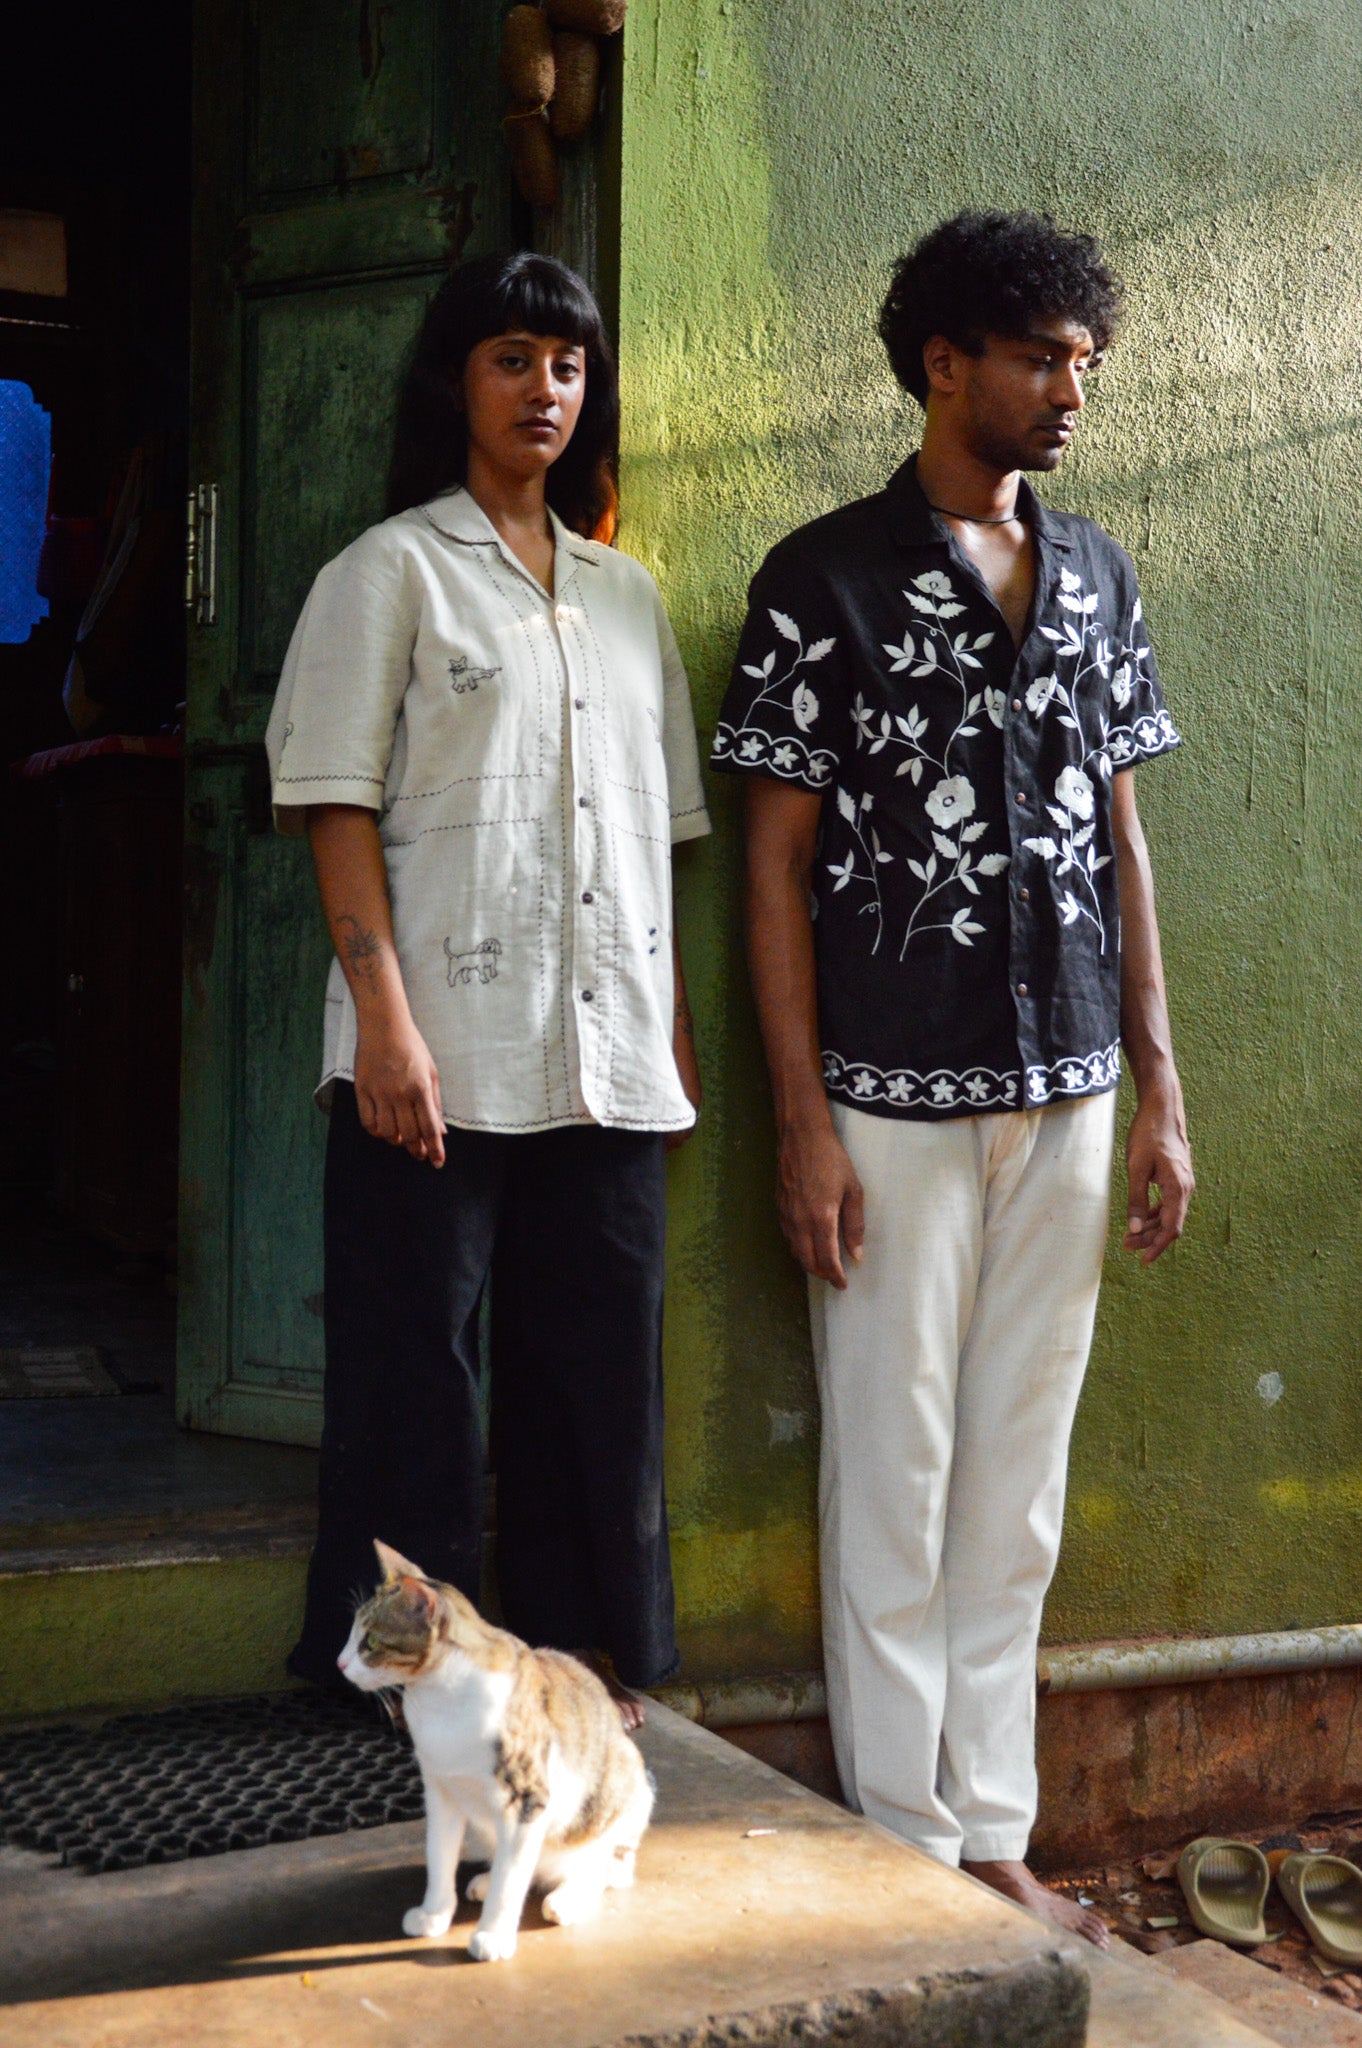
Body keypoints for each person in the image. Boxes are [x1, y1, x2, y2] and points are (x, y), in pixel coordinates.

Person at [713, 212, 1192, 1943]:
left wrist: (1159, 1087)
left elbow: (1123, 844)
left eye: (1084, 359)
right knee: (892, 1472)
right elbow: (765, 869)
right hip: (886, 1102)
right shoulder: (817, 581)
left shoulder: (1100, 577)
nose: (1073, 390)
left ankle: (994, 1825)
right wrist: (799, 1132)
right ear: (944, 363)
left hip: (1067, 1092)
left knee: (1018, 1478)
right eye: (1042, 356)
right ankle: (901, 1838)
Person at [265, 252, 710, 1725]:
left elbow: (658, 847)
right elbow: (334, 805)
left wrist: (672, 1048)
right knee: (413, 1382)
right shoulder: (386, 572)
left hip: (604, 1059)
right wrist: (383, 1023)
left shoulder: (626, 599)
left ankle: (584, 1665)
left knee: (595, 1375)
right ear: (456, 380)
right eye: (512, 359)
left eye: (568, 366)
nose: (544, 390)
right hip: (437, 1050)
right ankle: (402, 1670)